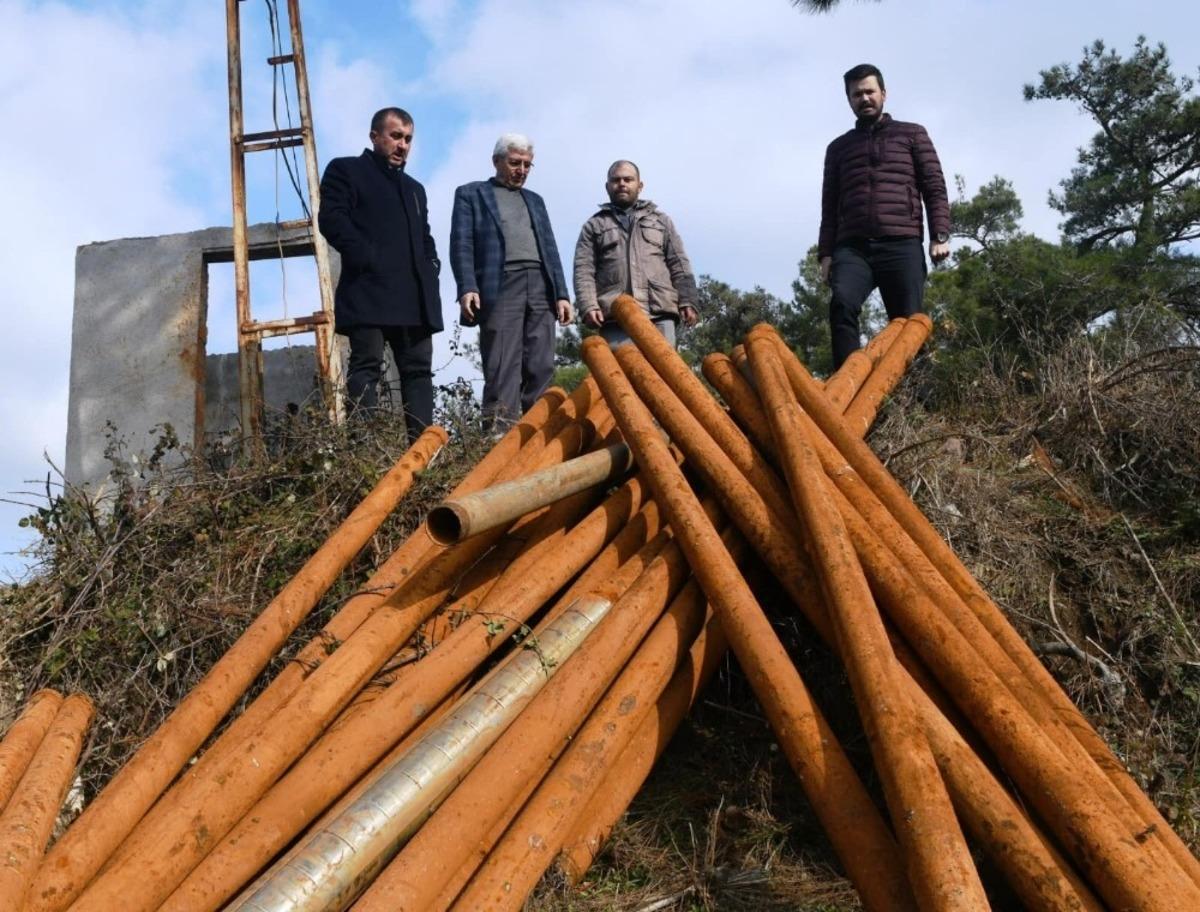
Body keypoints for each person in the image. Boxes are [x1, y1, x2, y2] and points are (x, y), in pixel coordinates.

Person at [318, 106, 443, 443]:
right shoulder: (346, 170)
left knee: (418, 374)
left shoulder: (415, 189)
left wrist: (432, 268)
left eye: (408, 139)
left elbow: (425, 237)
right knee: (367, 368)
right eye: (395, 136)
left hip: (414, 298)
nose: (402, 145)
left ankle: (423, 456)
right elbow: (331, 219)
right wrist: (367, 256)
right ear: (375, 137)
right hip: (368, 290)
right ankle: (364, 454)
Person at [818, 63, 950, 368]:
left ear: (884, 94)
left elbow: (934, 188)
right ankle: (847, 388)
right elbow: (829, 205)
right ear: (849, 100)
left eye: (869, 92)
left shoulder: (912, 134)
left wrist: (939, 235)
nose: (864, 99)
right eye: (856, 94)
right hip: (853, 248)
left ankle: (916, 404)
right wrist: (826, 254)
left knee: (908, 325)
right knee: (842, 305)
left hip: (901, 242)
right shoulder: (838, 149)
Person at [450, 133, 572, 431]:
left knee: (541, 363)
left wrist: (562, 294)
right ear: (497, 161)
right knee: (503, 365)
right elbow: (461, 243)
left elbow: (550, 248)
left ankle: (538, 436)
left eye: (528, 165)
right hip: (501, 284)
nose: (522, 170)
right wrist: (467, 287)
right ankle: (497, 440)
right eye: (515, 163)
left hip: (541, 286)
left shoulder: (535, 201)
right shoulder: (471, 194)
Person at [574, 160, 698, 348]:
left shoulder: (661, 221)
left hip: (658, 316)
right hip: (615, 319)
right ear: (607, 187)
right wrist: (588, 306)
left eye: (628, 179)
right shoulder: (594, 226)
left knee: (665, 375)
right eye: (616, 180)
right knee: (618, 376)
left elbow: (679, 263)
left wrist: (688, 300)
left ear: (639, 186)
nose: (622, 184)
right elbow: (583, 271)